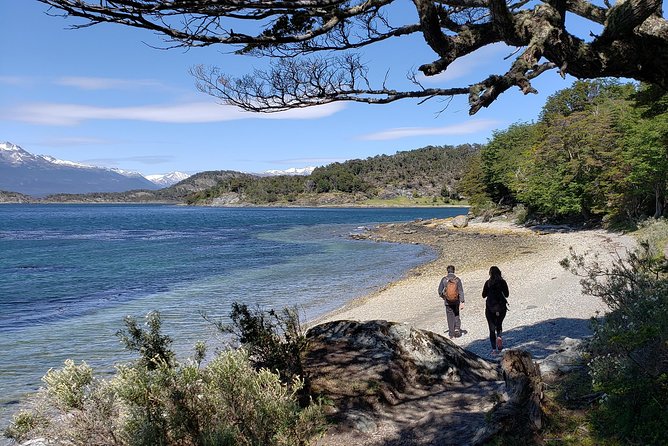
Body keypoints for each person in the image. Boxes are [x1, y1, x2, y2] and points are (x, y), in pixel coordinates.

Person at [482, 266, 509, 355]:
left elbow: (483, 295)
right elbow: (507, 294)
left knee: (491, 329)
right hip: (501, 308)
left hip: (490, 309)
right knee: (499, 324)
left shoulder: (488, 283)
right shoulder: (502, 282)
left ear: (490, 273)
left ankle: (494, 350)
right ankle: (499, 337)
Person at [438, 265, 465, 338]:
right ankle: (457, 328)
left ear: (447, 271)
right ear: (454, 271)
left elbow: (440, 291)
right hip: (456, 301)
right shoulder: (457, 280)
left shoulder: (444, 279)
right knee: (456, 314)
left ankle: (451, 334)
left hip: (448, 302)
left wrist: (444, 297)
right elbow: (460, 291)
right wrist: (462, 301)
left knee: (450, 317)